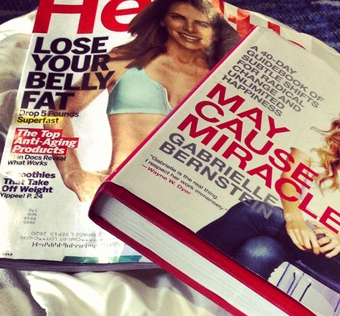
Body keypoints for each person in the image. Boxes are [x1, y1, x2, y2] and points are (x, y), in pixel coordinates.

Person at [196, 106, 340, 287]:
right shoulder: (320, 146)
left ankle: (186, 256)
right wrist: (294, 217)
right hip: (290, 233)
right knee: (259, 251)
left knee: (249, 211)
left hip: (335, 256)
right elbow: (289, 180)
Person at [54, 0, 239, 201]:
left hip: (189, 201)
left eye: (202, 23)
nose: (189, 29)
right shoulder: (121, 60)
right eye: (178, 17)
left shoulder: (223, 78)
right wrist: (71, 172)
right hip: (120, 196)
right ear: (162, 20)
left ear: (217, 32)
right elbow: (57, 112)